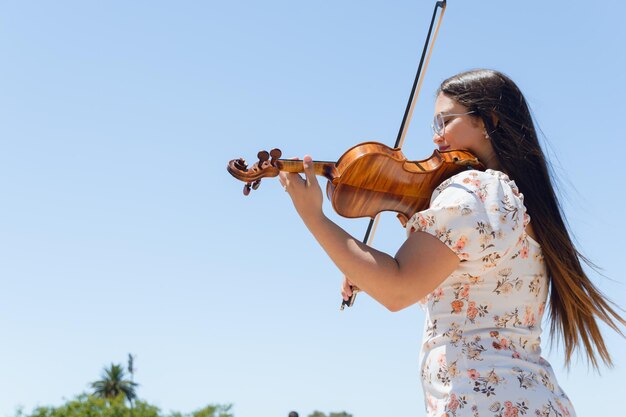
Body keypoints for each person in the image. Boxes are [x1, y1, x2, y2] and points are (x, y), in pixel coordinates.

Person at [278, 69, 625, 417]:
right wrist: (367, 271)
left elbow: (397, 289)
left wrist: (314, 217)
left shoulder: (474, 190)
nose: (436, 138)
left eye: (445, 122)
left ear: (487, 120)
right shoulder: (515, 203)